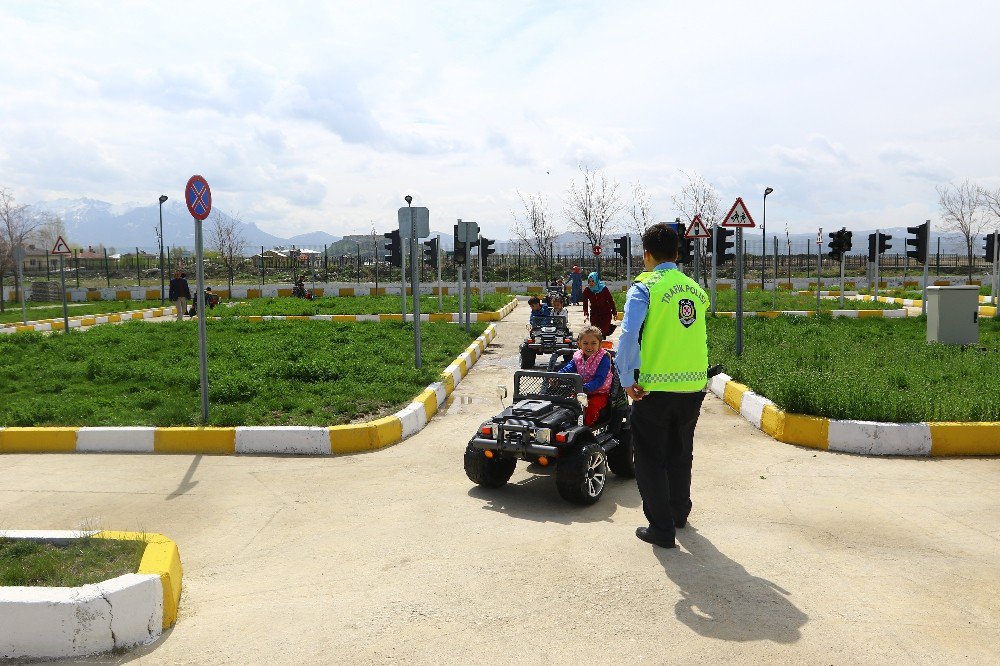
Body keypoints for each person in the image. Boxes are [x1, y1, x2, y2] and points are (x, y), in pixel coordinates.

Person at [616, 223, 709, 550]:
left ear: (646, 254)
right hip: (694, 387)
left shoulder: (645, 287)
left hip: (653, 390)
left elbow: (628, 336)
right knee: (680, 453)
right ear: (678, 253)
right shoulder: (695, 290)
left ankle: (661, 527)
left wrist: (626, 378)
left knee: (650, 458)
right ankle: (678, 513)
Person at [558, 325, 613, 426]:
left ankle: (586, 427)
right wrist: (557, 377)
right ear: (579, 344)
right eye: (585, 343)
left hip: (599, 392)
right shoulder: (578, 356)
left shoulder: (603, 358)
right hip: (581, 391)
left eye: (593, 343)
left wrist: (586, 388)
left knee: (591, 406)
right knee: (568, 402)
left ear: (600, 344)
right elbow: (568, 369)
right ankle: (568, 425)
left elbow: (599, 379)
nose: (589, 347)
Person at [582, 271, 617, 337]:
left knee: (603, 331)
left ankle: (602, 344)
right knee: (595, 332)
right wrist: (586, 313)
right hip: (594, 313)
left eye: (593, 281)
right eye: (589, 281)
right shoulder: (587, 290)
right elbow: (585, 303)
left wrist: (614, 312)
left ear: (596, 280)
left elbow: (610, 300)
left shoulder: (603, 289)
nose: (591, 283)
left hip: (605, 312)